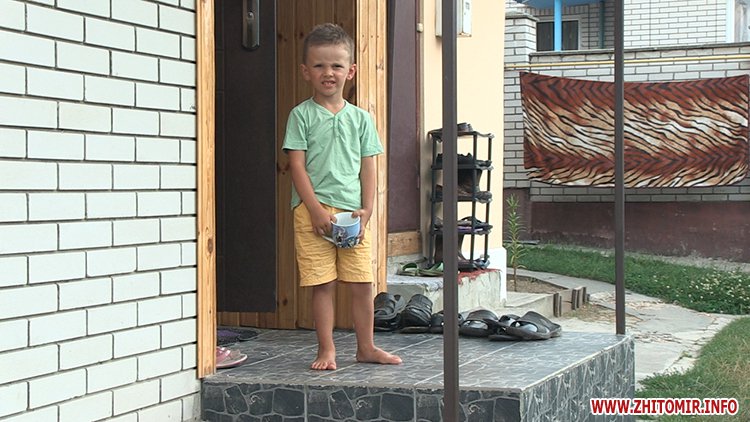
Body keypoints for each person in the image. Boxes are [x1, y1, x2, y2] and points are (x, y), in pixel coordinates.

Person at [282, 23, 402, 370]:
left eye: (336, 65)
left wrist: (368, 210)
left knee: (362, 282)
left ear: (350, 71)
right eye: (319, 65)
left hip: (353, 214)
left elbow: (369, 168)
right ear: (306, 71)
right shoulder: (301, 116)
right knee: (322, 284)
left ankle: (366, 347)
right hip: (312, 212)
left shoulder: (362, 119)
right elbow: (296, 166)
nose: (328, 73)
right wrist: (315, 210)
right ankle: (327, 350)